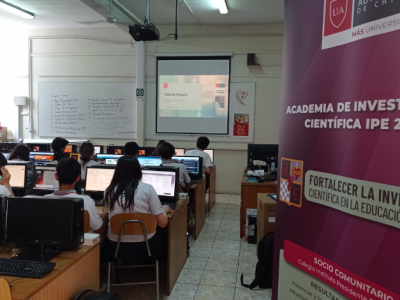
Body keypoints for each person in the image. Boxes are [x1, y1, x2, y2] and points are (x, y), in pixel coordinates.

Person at [102, 156, 171, 264]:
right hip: (145, 246)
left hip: (115, 246)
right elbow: (163, 223)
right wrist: (164, 211)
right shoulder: (147, 188)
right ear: (138, 170)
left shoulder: (108, 190)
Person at [45, 158, 107, 234]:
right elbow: (100, 229)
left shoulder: (44, 200)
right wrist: (105, 215)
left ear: (56, 176)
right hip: (83, 244)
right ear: (78, 178)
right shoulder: (86, 201)